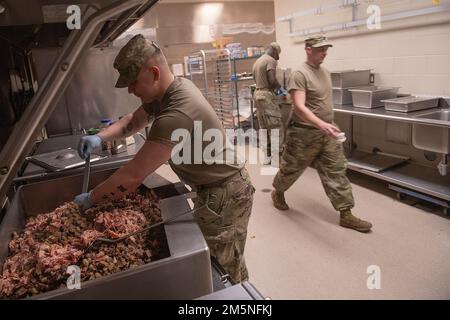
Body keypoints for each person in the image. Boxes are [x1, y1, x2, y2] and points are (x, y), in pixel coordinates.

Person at [74, 35, 255, 282]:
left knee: (221, 266)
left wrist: (91, 198)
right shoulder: (169, 91)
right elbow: (133, 121)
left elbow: (133, 175)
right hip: (216, 186)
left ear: (154, 72)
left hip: (225, 192)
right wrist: (100, 138)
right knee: (228, 256)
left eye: (133, 82)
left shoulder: (176, 112)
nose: (130, 89)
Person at [271, 35, 373, 233]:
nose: (324, 52)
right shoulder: (300, 74)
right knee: (291, 169)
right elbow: (299, 107)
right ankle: (278, 192)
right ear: (308, 49)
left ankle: (346, 214)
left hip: (327, 132)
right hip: (303, 134)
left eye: (326, 49)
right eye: (320, 49)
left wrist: (328, 125)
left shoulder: (325, 72)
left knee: (336, 170)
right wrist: (320, 124)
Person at [252, 42, 286, 165]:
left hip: (257, 94)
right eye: (278, 54)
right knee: (276, 126)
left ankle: (266, 157)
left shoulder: (258, 61)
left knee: (263, 127)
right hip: (266, 95)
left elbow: (255, 79)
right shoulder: (271, 60)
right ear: (275, 51)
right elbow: (272, 80)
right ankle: (277, 159)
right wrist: (282, 91)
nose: (278, 58)